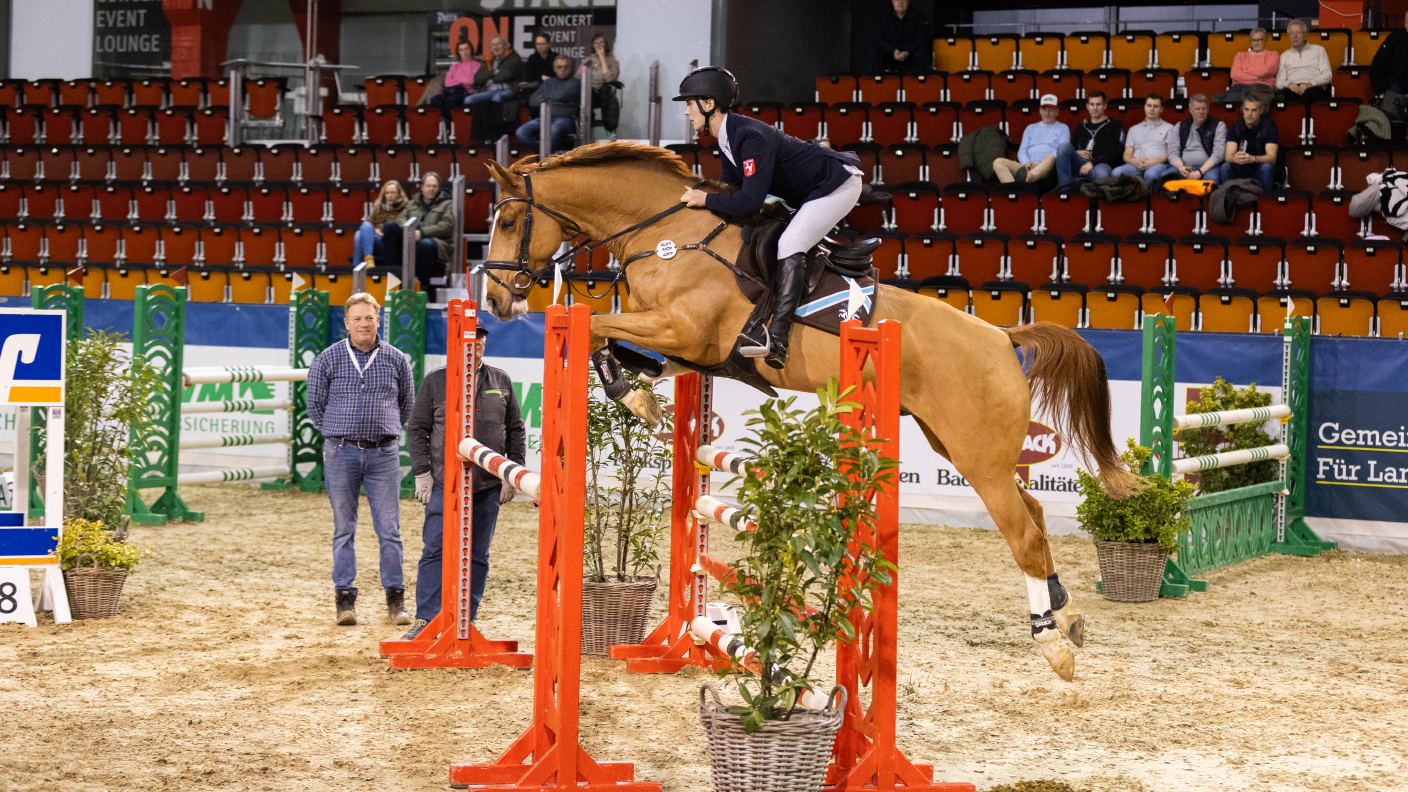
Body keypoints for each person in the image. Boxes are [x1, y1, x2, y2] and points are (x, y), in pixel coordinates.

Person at [675, 67, 863, 369]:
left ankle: (778, 339)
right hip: (809, 190)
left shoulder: (749, 136)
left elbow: (750, 199)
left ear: (709, 104)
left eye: (689, 103)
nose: (685, 111)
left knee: (790, 243)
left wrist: (705, 198)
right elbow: (731, 188)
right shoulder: (727, 136)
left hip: (835, 185)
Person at [401, 324, 525, 640]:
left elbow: (515, 429)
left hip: (487, 485)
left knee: (478, 554)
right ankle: (425, 621)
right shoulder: (435, 381)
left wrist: (513, 472)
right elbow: (416, 429)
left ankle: (466, 621)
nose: (477, 342)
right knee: (435, 550)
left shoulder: (501, 379)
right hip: (445, 483)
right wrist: (422, 472)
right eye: (471, 337)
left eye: (481, 337)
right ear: (456, 343)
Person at [307, 293, 417, 627]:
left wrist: (384, 431)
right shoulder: (328, 359)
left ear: (378, 319)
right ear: (347, 323)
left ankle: (395, 601)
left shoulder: (397, 360)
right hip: (340, 452)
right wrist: (338, 432)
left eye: (369, 317)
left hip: (383, 454)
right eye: (357, 318)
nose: (363, 324)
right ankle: (345, 600)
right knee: (344, 528)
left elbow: (407, 405)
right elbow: (314, 405)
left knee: (390, 530)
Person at [382, 172, 452, 289]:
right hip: (411, 237)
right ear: (422, 187)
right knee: (389, 226)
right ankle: (394, 272)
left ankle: (423, 286)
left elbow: (446, 226)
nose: (431, 189)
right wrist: (410, 230)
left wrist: (422, 232)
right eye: (428, 186)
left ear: (438, 188)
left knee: (425, 244)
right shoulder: (412, 203)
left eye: (434, 186)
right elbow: (400, 218)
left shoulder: (447, 204)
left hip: (435, 241)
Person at [1054, 91, 1125, 190]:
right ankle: (1064, 187)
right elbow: (1071, 149)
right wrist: (1077, 152)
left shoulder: (1115, 124)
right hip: (1080, 164)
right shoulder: (1081, 127)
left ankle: (1077, 183)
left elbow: (1115, 153)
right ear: (1087, 106)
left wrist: (1092, 163)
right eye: (1092, 104)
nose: (1095, 108)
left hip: (1101, 164)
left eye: (1098, 104)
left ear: (1105, 105)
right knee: (1063, 147)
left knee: (1102, 173)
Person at [992, 94, 1069, 185]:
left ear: (1057, 112)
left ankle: (1027, 179)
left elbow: (1062, 150)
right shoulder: (1030, 128)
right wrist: (1026, 163)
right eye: (1044, 109)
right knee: (998, 162)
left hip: (1047, 167)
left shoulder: (1063, 128)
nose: (1047, 113)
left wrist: (1040, 164)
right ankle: (1013, 188)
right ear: (1040, 111)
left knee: (1051, 157)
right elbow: (1022, 150)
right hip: (1027, 166)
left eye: (1051, 110)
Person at [516, 55, 580, 153]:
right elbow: (533, 100)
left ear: (570, 68)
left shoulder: (575, 83)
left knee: (553, 129)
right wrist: (550, 98)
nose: (562, 69)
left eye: (565, 67)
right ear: (554, 68)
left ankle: (545, 158)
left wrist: (545, 97)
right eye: (559, 67)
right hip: (546, 117)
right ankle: (543, 154)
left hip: (566, 119)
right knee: (521, 132)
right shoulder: (549, 82)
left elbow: (560, 95)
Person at [1113, 93, 1178, 186]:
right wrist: (1134, 161)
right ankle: (1128, 197)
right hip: (1136, 165)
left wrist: (1152, 162)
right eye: (1149, 105)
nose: (1152, 109)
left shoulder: (1169, 128)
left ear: (1161, 109)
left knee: (1150, 174)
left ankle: (1146, 199)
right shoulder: (1134, 129)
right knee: (1116, 173)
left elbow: (1170, 154)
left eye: (1155, 106)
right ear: (1144, 107)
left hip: (1158, 164)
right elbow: (1127, 155)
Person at [1217, 96, 1279, 192]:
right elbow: (1228, 157)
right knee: (1226, 167)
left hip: (1259, 166)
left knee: (1266, 167)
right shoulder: (1235, 127)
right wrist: (1237, 158)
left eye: (1253, 110)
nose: (1249, 114)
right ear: (1243, 110)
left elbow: (1272, 158)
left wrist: (1252, 159)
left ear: (1260, 111)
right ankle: (1224, 199)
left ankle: (1264, 201)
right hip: (1240, 166)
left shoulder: (1270, 127)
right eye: (1247, 109)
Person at [1170, 94, 1228, 184]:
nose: (1201, 112)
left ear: (1208, 109)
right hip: (1186, 167)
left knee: (1210, 181)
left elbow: (1218, 154)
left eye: (1204, 108)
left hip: (1208, 167)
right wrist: (1181, 167)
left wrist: (1200, 172)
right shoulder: (1180, 126)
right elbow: (1173, 153)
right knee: (1166, 178)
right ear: (1190, 110)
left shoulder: (1218, 125)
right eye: (1197, 109)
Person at [1277, 19, 1333, 104]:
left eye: (1298, 33)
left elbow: (1327, 75)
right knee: (1283, 95)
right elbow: (1279, 81)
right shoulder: (1284, 56)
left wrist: (1309, 84)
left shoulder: (1319, 50)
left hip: (1313, 87)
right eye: (1291, 33)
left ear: (1305, 35)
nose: (1294, 36)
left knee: (1311, 94)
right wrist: (1289, 84)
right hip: (1292, 88)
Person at [1216, 27, 1278, 104]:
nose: (1256, 43)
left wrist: (1246, 71)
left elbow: (1265, 71)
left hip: (1262, 87)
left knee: (1236, 98)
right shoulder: (1241, 56)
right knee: (1218, 100)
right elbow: (1234, 74)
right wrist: (1255, 77)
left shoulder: (1273, 55)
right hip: (1239, 86)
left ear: (1265, 40)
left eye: (1259, 40)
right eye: (1253, 40)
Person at [352, 180, 406, 266]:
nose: (390, 196)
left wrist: (384, 233)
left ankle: (356, 269)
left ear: (399, 194)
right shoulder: (378, 208)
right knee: (360, 231)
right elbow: (368, 228)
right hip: (376, 242)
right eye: (387, 193)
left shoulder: (404, 209)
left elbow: (402, 232)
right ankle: (368, 259)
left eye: (393, 193)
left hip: (391, 244)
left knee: (358, 235)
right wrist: (375, 231)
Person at [869, 0, 931, 74]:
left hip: (911, 53)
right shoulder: (883, 16)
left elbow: (923, 37)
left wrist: (908, 51)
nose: (900, 2)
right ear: (892, 1)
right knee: (874, 52)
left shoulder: (920, 16)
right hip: (890, 53)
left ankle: (920, 84)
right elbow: (878, 37)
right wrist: (892, 50)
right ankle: (875, 83)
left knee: (922, 53)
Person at [466, 35, 523, 106]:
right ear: (491, 48)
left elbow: (506, 74)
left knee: (496, 98)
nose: (496, 47)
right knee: (468, 99)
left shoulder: (513, 57)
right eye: (493, 45)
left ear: (505, 45)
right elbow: (477, 78)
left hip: (509, 90)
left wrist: (492, 80)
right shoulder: (488, 60)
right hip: (491, 91)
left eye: (499, 44)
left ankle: (496, 117)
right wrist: (493, 72)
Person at [583, 34, 622, 134]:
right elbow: (578, 77)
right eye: (596, 43)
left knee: (591, 93)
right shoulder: (588, 61)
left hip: (604, 92)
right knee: (583, 93)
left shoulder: (613, 61)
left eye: (601, 42)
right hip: (587, 92)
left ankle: (588, 122)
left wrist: (602, 58)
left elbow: (610, 79)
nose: (598, 45)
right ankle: (584, 125)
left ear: (606, 44)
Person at [429, 39, 481, 109]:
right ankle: (446, 118)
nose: (464, 52)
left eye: (466, 49)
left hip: (466, 93)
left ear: (471, 50)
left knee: (452, 100)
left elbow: (471, 81)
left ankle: (448, 118)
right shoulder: (454, 66)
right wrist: (464, 78)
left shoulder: (477, 65)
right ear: (458, 52)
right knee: (434, 99)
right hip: (451, 92)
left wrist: (455, 77)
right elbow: (447, 83)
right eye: (461, 50)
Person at [1369, 14, 1408, 98]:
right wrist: (1380, 92)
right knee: (1392, 91)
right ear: (1405, 23)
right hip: (1396, 86)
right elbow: (1377, 65)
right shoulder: (1394, 39)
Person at [518, 32, 557, 99]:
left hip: (551, 86)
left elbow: (557, 74)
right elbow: (529, 77)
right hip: (535, 87)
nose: (540, 47)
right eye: (538, 44)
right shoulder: (532, 58)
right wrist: (541, 77)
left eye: (542, 44)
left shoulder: (555, 57)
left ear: (548, 44)